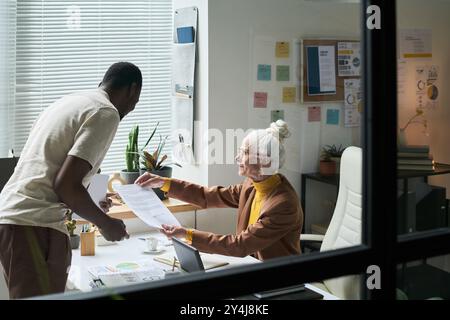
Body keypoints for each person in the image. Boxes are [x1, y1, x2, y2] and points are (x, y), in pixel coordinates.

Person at [0, 62, 142, 299]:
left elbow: (48, 171)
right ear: (133, 90)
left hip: (19, 218)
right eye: (135, 102)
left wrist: (92, 202)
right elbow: (65, 185)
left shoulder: (71, 102)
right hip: (34, 222)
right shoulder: (106, 112)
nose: (132, 108)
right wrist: (105, 224)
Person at [135, 120, 303, 261]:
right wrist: (163, 183)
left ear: (264, 162)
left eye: (244, 153)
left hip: (280, 282)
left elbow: (240, 246)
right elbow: (208, 196)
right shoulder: (251, 186)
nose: (237, 158)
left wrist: (188, 234)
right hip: (251, 270)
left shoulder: (283, 205)